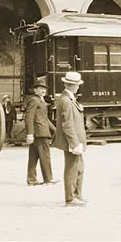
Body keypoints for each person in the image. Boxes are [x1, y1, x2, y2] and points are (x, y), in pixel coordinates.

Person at [52, 72, 87, 207]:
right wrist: (74, 143)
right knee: (72, 169)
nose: (78, 87)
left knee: (79, 168)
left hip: (76, 141)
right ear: (73, 86)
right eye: (77, 85)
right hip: (72, 142)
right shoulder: (66, 100)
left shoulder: (69, 98)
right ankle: (70, 198)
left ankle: (77, 195)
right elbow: (68, 124)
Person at [25, 78, 58, 186]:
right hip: (40, 132)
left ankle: (31, 179)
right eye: (40, 88)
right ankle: (48, 179)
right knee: (45, 155)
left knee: (33, 156)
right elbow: (29, 116)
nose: (43, 90)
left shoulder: (41, 100)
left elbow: (45, 118)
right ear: (35, 90)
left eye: (44, 88)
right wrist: (29, 133)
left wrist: (55, 130)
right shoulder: (35, 100)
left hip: (39, 131)